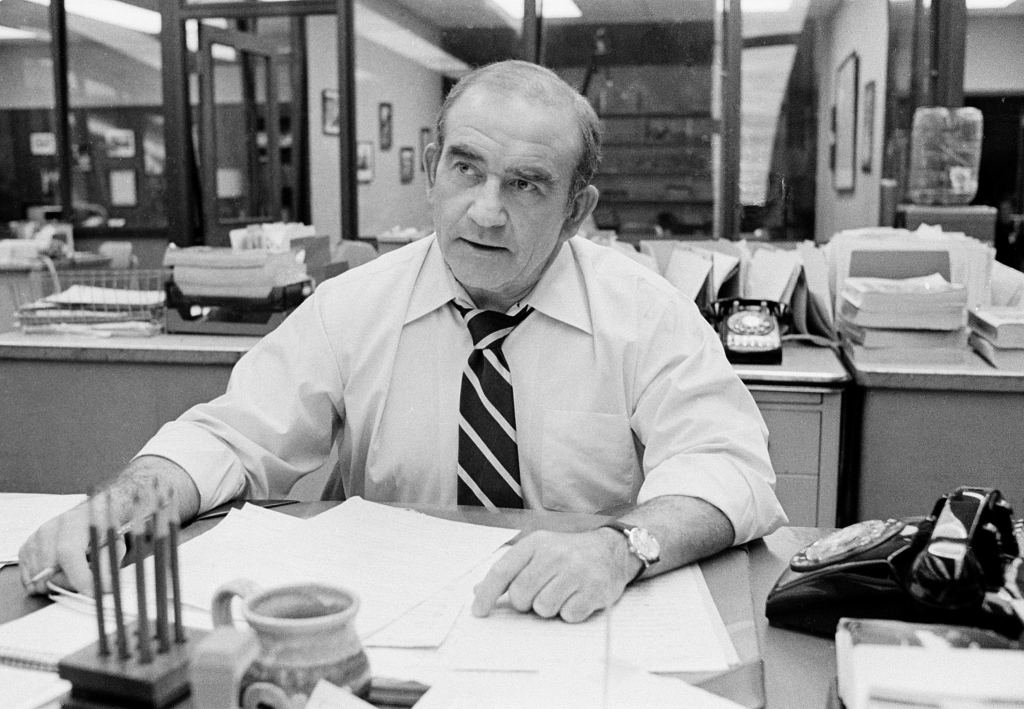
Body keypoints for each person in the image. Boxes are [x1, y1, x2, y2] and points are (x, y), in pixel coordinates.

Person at [20, 60, 786, 623]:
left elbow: (730, 469)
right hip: (385, 629)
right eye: (466, 168)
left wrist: (621, 546)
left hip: (579, 625)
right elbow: (231, 435)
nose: (485, 211)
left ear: (577, 207)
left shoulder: (646, 314)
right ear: (431, 170)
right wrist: (127, 500)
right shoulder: (353, 306)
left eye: (525, 184)